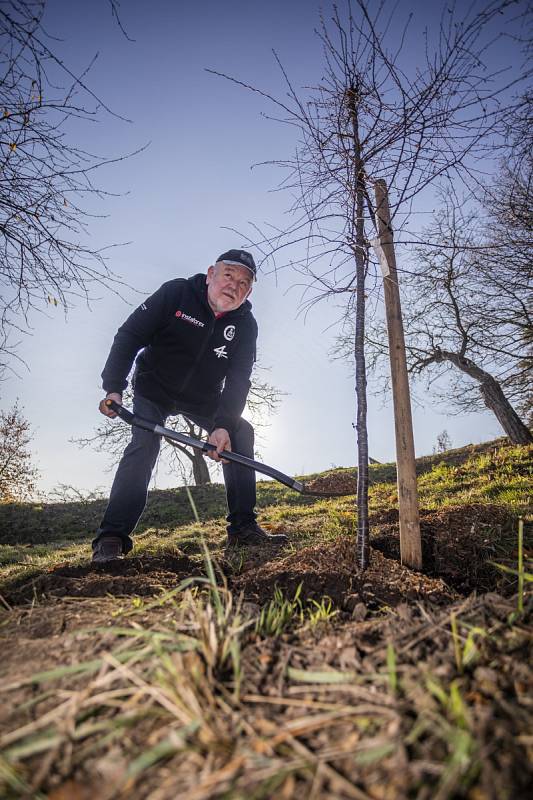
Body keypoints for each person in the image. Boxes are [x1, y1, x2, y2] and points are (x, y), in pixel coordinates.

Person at [92, 249, 288, 563]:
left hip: (202, 396)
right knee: (144, 443)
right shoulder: (177, 293)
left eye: (243, 283)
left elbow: (239, 379)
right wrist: (114, 387)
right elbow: (129, 335)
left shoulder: (245, 325)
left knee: (241, 431)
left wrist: (223, 424)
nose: (233, 286)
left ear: (248, 292)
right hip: (153, 388)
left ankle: (243, 529)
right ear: (211, 274)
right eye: (228, 275)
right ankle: (111, 537)